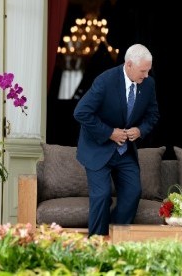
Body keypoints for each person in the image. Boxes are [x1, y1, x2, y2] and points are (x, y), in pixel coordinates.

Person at [73, 43, 159, 237]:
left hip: (124, 151)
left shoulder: (148, 83)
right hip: (97, 148)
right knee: (101, 195)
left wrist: (140, 130)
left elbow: (153, 115)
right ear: (129, 64)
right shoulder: (105, 81)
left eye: (148, 71)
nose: (146, 76)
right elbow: (81, 112)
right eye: (143, 71)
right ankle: (95, 245)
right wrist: (109, 132)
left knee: (133, 193)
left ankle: (115, 238)